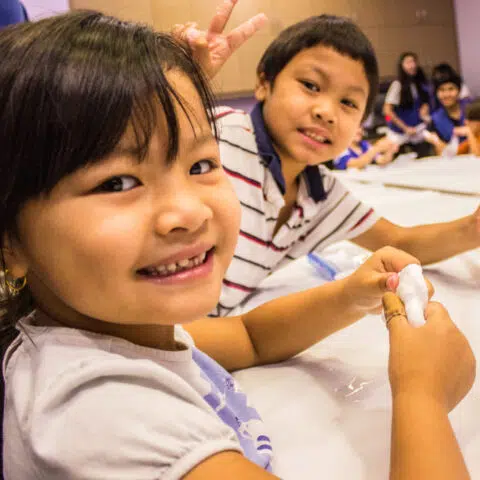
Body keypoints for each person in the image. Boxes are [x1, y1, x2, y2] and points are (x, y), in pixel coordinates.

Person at [0, 11, 475, 480]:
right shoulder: (104, 413)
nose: (189, 212)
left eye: (202, 166)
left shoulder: (129, 326)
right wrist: (422, 395)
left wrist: (350, 295)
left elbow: (248, 337)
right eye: (118, 182)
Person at [176, 5, 480, 318]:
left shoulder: (320, 195)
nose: (326, 111)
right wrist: (178, 85)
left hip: (202, 339)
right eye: (310, 85)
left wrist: (473, 228)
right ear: (264, 83)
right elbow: (147, 135)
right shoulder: (218, 134)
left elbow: (399, 241)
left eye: (348, 102)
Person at [383, 52, 432, 157]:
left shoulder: (421, 83)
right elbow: (387, 111)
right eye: (408, 62)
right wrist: (405, 128)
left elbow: (426, 102)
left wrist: (425, 109)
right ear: (402, 65)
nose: (412, 65)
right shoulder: (397, 85)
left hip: (418, 130)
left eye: (414, 62)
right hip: (400, 132)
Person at [423, 70, 468, 155]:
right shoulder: (435, 120)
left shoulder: (472, 110)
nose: (446, 94)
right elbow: (441, 152)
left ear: (459, 91)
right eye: (442, 90)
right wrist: (437, 142)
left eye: (451, 89)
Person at [334, 127, 398, 170]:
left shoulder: (364, 144)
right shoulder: (341, 147)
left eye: (360, 127)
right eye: (356, 128)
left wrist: (390, 150)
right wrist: (377, 148)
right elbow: (355, 164)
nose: (359, 131)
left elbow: (382, 161)